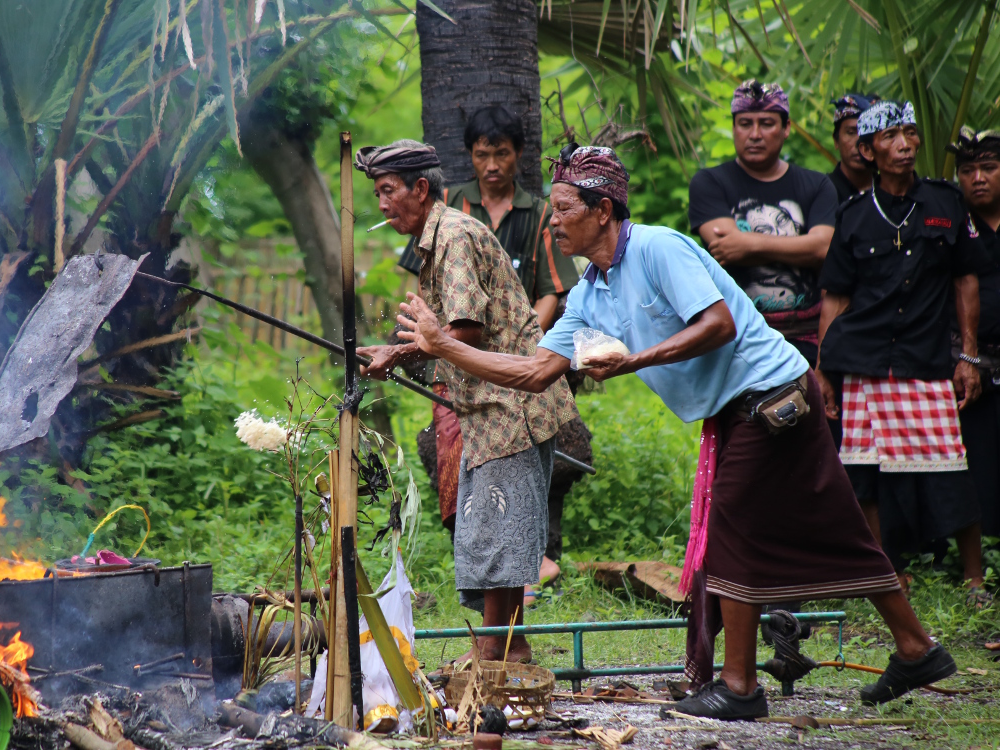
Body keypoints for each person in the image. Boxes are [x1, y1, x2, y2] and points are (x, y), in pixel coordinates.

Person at [397, 143, 955, 719]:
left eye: (564, 209)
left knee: (729, 533)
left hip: (772, 396)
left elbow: (719, 324)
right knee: (836, 526)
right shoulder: (587, 293)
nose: (553, 222)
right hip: (735, 410)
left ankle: (739, 688)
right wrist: (441, 347)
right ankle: (917, 648)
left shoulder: (658, 248)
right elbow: (535, 373)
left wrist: (636, 360)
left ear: (603, 211)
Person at [353, 139, 578, 663]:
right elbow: (447, 335)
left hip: (511, 406)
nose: (382, 204)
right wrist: (400, 351)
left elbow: (463, 331)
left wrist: (398, 353)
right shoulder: (439, 238)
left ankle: (500, 649)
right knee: (496, 528)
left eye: (388, 191)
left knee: (498, 529)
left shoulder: (453, 236)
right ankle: (507, 646)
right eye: (378, 194)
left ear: (421, 189)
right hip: (493, 409)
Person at [397, 106, 587, 606]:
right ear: (471, 157)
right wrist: (407, 348)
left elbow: (539, 297)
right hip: (463, 374)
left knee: (505, 501)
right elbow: (431, 311)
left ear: (518, 154)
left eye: (501, 153)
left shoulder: (528, 215)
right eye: (483, 154)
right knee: (469, 490)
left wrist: (529, 351)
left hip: (512, 377)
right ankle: (497, 618)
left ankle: (511, 612)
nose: (493, 164)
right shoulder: (447, 210)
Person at [815, 102, 987, 604]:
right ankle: (885, 572)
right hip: (863, 360)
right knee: (864, 471)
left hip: (926, 358)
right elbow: (835, 299)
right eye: (890, 136)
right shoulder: (852, 215)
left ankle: (975, 579)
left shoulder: (945, 201)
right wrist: (823, 369)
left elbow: (966, 279)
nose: (905, 144)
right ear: (868, 150)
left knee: (950, 465)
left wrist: (969, 356)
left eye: (910, 133)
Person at [688, 79, 838, 369]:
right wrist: (803, 247)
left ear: (786, 127)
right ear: (734, 127)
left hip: (808, 337)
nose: (755, 134)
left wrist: (748, 244)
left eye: (767, 123)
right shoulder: (710, 183)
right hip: (738, 338)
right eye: (745, 124)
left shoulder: (817, 185)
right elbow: (726, 246)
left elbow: (825, 248)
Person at [951, 126, 1000, 561]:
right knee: (978, 466)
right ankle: (980, 559)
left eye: (988, 167)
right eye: (968, 170)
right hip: (973, 363)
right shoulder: (952, 225)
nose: (978, 178)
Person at [827, 94, 879, 201]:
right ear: (836, 140)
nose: (859, 143)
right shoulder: (823, 192)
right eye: (851, 133)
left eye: (867, 133)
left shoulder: (892, 191)